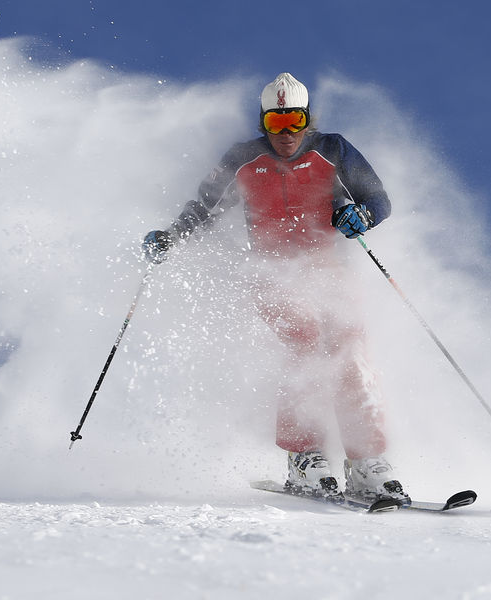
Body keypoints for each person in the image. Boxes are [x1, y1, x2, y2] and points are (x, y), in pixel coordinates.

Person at [142, 73, 405, 501]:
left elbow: (379, 200)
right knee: (305, 338)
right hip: (269, 271)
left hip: (326, 267)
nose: (286, 133)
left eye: (295, 122)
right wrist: (171, 237)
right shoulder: (244, 159)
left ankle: (365, 463)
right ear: (264, 123)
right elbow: (204, 208)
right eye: (276, 124)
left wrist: (362, 217)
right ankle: (304, 458)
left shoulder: (332, 150)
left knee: (349, 347)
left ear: (308, 120)